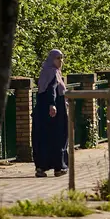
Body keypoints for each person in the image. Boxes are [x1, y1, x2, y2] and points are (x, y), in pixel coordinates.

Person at [32, 49, 69, 178]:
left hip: (43, 111)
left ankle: (41, 167)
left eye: (61, 58)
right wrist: (52, 104)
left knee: (44, 138)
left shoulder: (48, 72)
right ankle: (59, 167)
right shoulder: (52, 72)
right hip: (54, 112)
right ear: (51, 59)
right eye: (58, 58)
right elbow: (51, 89)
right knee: (58, 137)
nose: (60, 61)